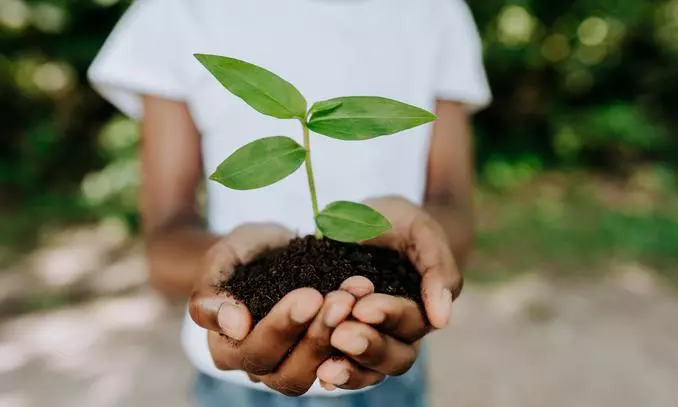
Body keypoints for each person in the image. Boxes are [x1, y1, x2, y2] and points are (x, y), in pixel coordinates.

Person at [89, 0, 491, 405]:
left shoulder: (433, 10)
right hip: (236, 385)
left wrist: (419, 247)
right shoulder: (175, 11)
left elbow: (451, 205)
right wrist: (236, 276)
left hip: (385, 362)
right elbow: (165, 239)